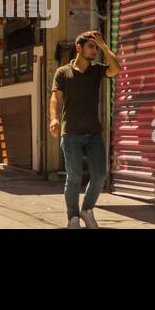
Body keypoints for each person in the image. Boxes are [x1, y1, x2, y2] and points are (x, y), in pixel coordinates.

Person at [50, 30, 120, 229]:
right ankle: (73, 217)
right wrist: (54, 119)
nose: (95, 50)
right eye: (91, 46)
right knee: (74, 177)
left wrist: (105, 46)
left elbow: (116, 69)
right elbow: (55, 98)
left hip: (93, 133)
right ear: (78, 48)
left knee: (99, 174)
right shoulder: (63, 72)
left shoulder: (97, 70)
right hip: (70, 132)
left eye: (97, 47)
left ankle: (87, 210)